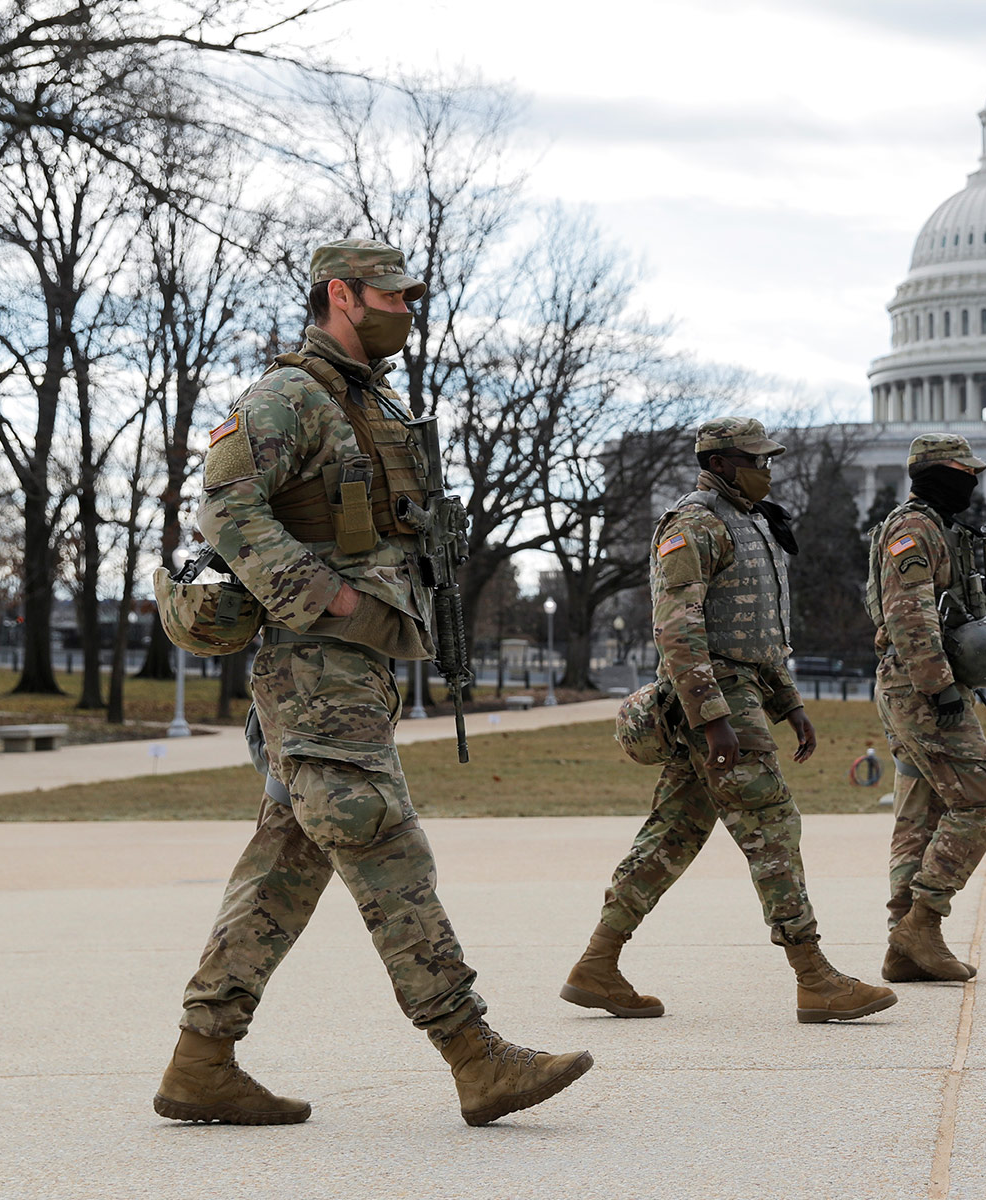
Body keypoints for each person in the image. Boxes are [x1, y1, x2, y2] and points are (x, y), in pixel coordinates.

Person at [156, 239, 592, 1128]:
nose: (405, 310)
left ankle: (201, 1062)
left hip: (356, 667)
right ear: (340, 295)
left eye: (409, 296)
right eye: (389, 295)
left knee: (284, 866)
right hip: (316, 665)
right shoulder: (289, 395)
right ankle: (474, 1055)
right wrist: (328, 595)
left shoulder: (372, 401)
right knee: (383, 841)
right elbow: (225, 506)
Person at [562, 417, 896, 1025]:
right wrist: (713, 717)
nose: (766, 470)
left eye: (768, 460)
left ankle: (597, 965)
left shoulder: (748, 521)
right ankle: (814, 977)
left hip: (738, 691)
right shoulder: (693, 525)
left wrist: (789, 704)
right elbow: (678, 629)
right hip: (717, 698)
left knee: (674, 833)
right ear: (718, 463)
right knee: (771, 823)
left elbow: (756, 634)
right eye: (755, 460)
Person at [865, 433, 986, 982]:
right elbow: (909, 612)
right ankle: (922, 922)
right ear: (940, 476)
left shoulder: (937, 528)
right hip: (921, 688)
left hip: (914, 684)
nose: (973, 484)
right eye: (966, 475)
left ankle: (903, 947)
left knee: (919, 814)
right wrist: (938, 684)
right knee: (979, 802)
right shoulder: (914, 528)